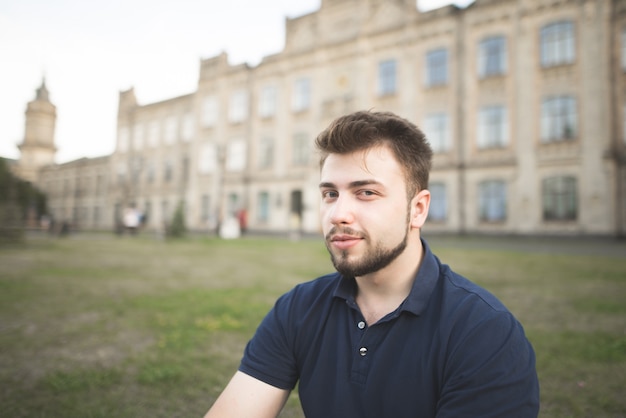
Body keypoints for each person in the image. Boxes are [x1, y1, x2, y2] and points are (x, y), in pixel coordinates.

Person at [204, 111, 539, 418]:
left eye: (365, 193)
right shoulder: (298, 309)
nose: (337, 214)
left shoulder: (483, 333)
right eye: (330, 194)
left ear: (418, 209)